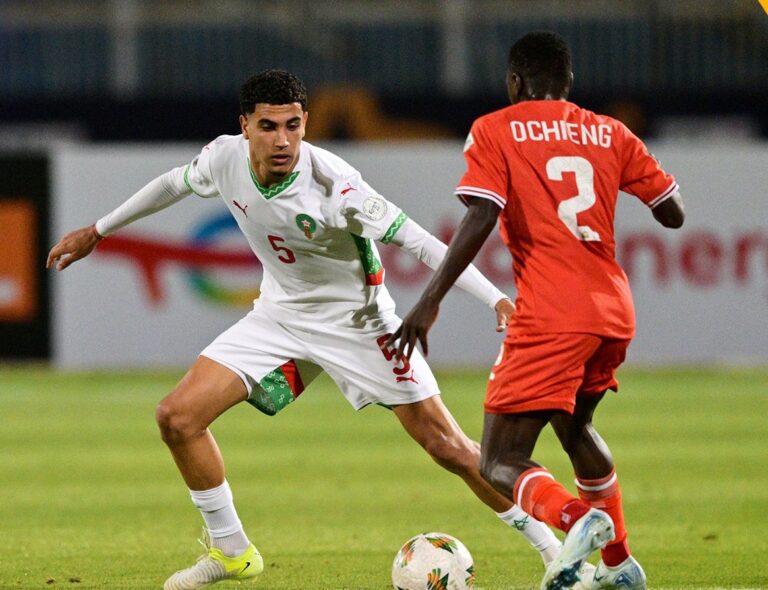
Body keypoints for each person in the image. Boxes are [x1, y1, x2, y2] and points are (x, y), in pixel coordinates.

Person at [47, 69, 586, 590]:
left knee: (449, 447)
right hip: (280, 315)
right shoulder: (223, 158)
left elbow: (422, 242)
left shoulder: (335, 184)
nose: (283, 140)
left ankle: (554, 552)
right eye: (268, 126)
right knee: (177, 417)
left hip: (360, 322)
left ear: (305, 122)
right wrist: (99, 230)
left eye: (293, 125)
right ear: (244, 125)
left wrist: (496, 298)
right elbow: (173, 183)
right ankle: (232, 551)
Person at [390, 32, 685, 590]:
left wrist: (429, 300)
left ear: (514, 82)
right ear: (569, 81)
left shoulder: (496, 128)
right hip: (613, 309)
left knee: (498, 460)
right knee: (576, 428)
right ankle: (620, 567)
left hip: (552, 310)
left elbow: (481, 214)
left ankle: (578, 519)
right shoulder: (610, 131)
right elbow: (672, 212)